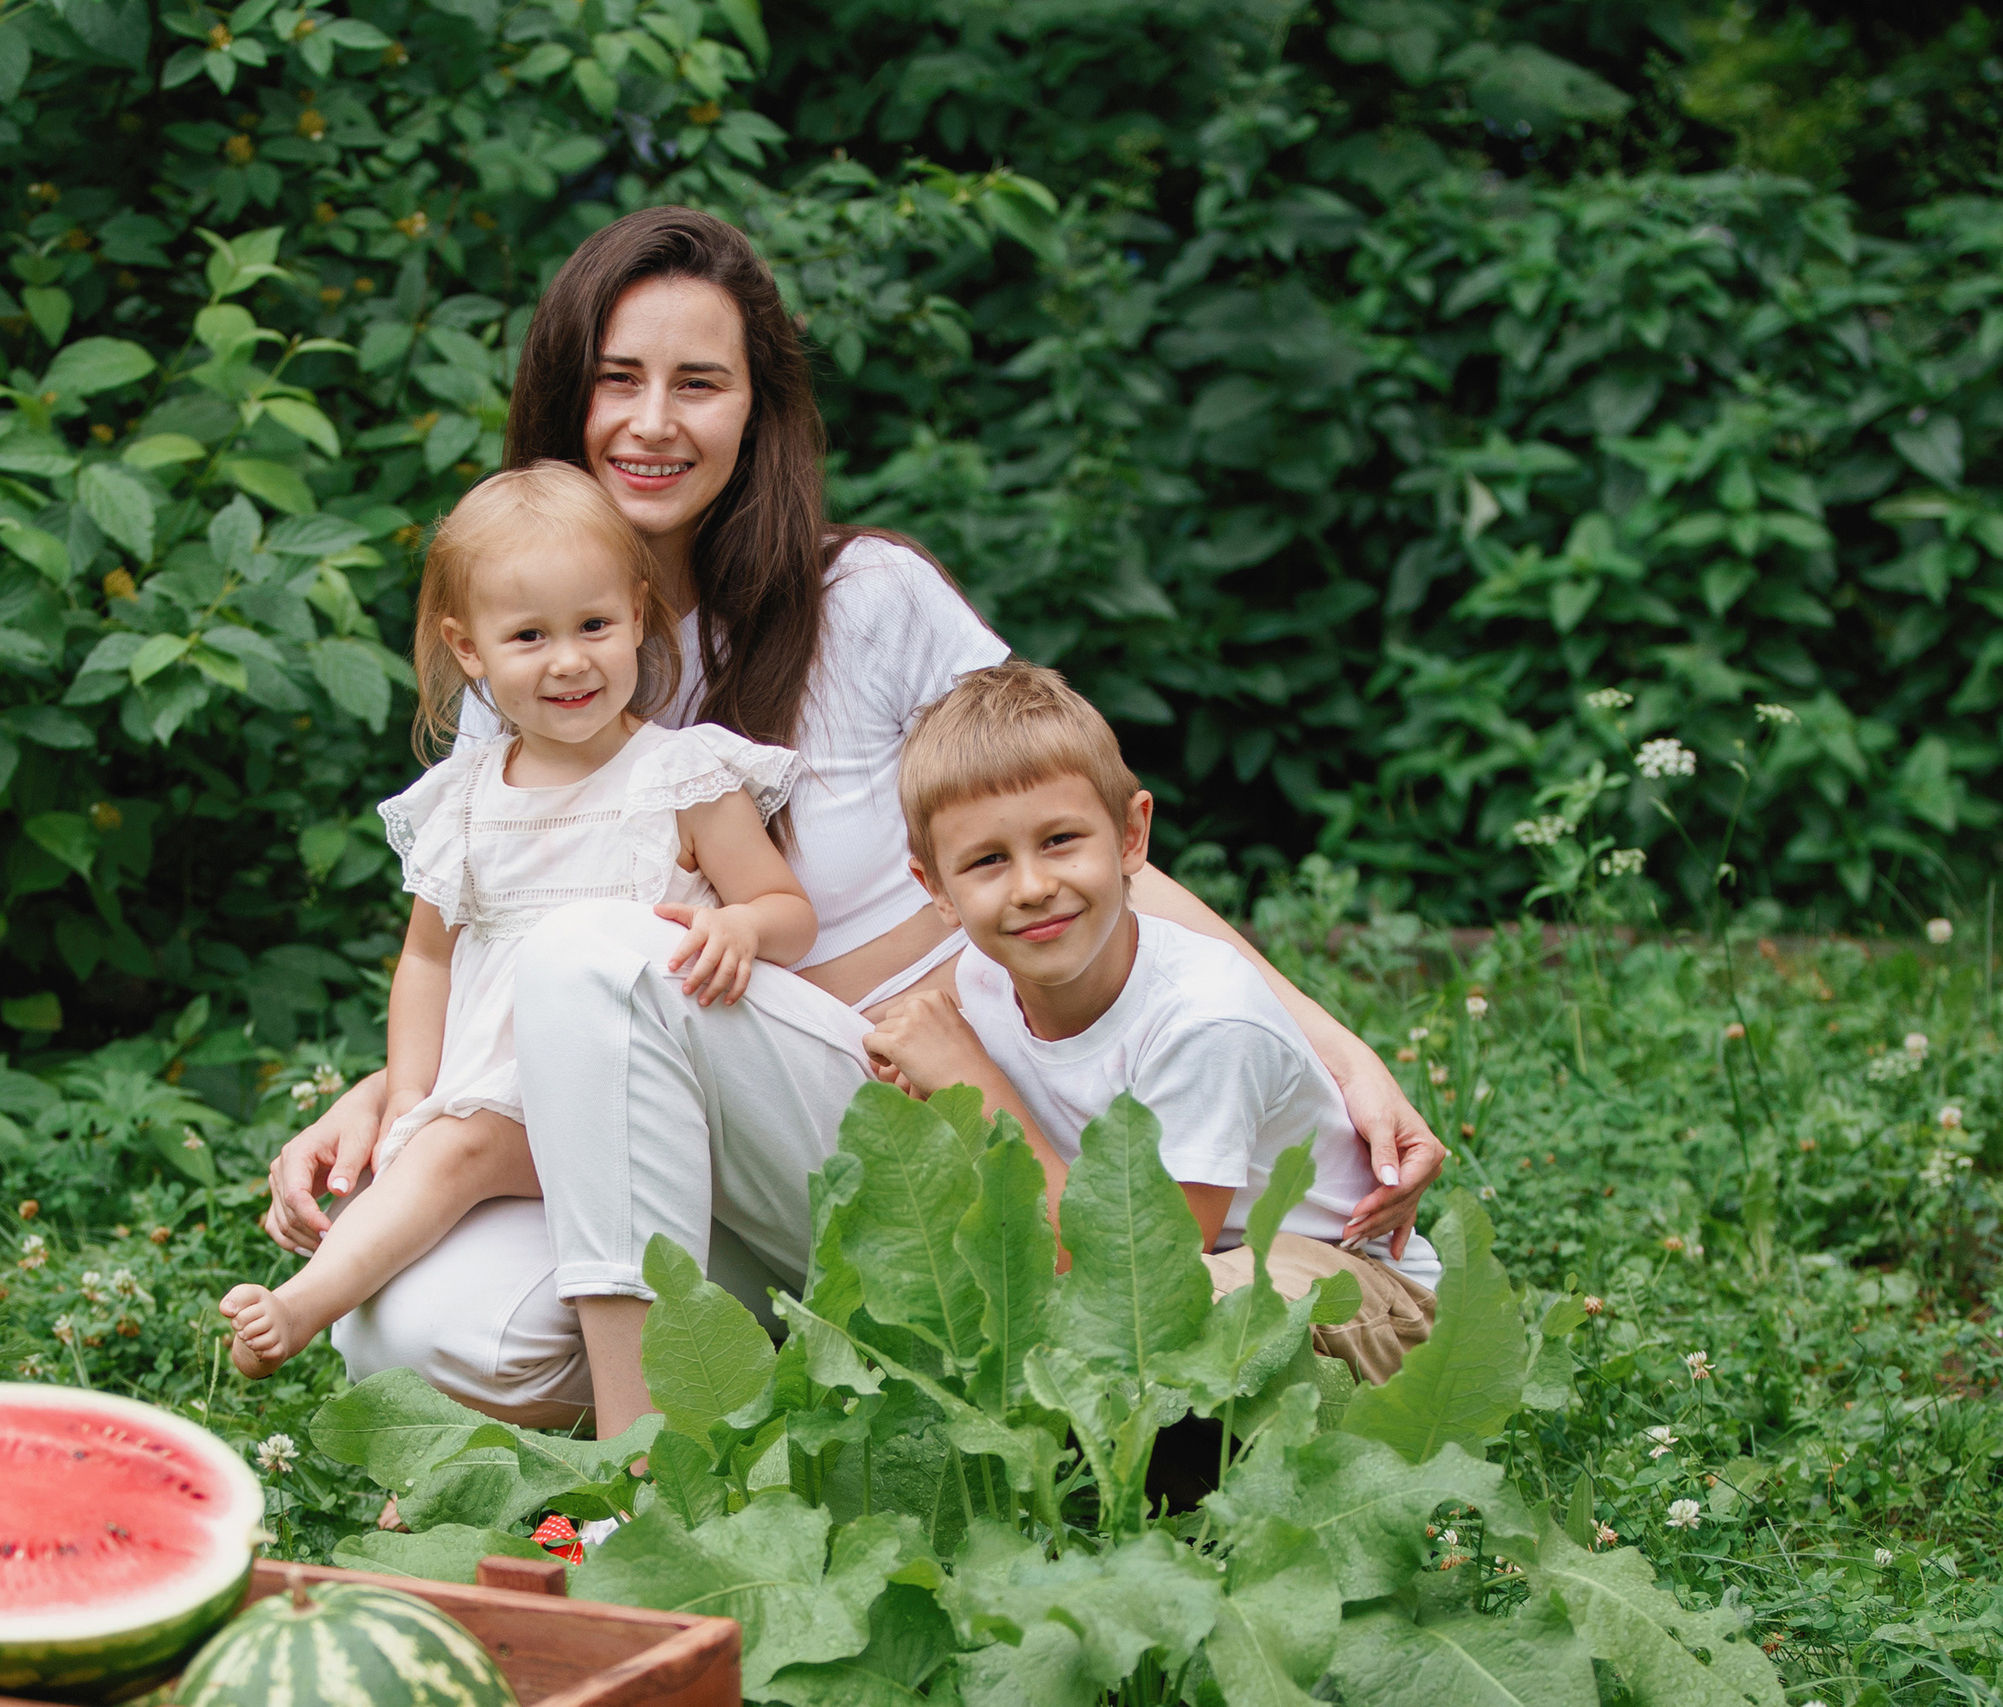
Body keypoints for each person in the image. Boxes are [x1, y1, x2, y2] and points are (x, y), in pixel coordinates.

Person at [265, 206, 1446, 1435]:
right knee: (413, 1331)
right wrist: (398, 1102)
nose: (653, 422)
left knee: (604, 958)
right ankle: (831, 1367)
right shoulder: (524, 680)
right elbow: (482, 954)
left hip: (929, 1110)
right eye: (617, 380)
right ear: (565, 399)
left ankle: (669, 1447)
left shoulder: (866, 600)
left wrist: (1338, 1045)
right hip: (717, 1157)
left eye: (699, 384)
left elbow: (1075, 841)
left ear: (756, 412)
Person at [219, 461, 810, 1380]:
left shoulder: (681, 778)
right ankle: (411, 1405)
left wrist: (743, 929)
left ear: (641, 615)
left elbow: (788, 912)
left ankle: (302, 1305)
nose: (569, 659)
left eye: (594, 625)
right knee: (434, 1161)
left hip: (632, 1100)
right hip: (499, 1093)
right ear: (469, 649)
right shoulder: (464, 802)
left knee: (449, 1158)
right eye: (529, 634)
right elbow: (427, 963)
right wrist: (409, 1097)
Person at [862, 662, 1437, 1382]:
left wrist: (973, 1083)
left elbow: (1137, 1274)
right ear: (937, 890)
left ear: (1132, 835)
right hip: (1185, 1274)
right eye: (987, 860)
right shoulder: (981, 983)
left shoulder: (1207, 1020)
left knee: (1177, 1320)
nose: (1034, 887)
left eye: (1061, 840)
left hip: (1356, 1294)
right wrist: (919, 1069)